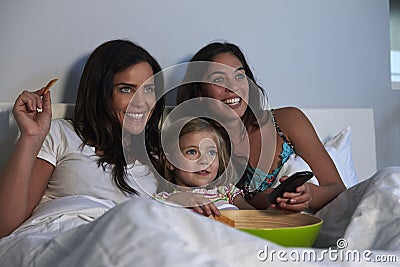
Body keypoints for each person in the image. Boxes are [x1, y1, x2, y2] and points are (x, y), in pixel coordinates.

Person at [0, 39, 166, 238]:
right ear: (101, 93)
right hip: (62, 240)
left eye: (148, 89)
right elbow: (5, 227)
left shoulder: (157, 158)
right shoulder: (60, 134)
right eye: (126, 89)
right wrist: (30, 136)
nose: (141, 102)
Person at [176, 41, 346, 211]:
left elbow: (337, 189)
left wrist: (309, 195)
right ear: (199, 93)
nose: (233, 87)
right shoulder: (198, 145)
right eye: (219, 79)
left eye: (239, 76)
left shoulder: (288, 120)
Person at [153, 117, 254, 216]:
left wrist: (269, 211)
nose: (204, 161)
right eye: (192, 152)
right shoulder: (164, 199)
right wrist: (175, 200)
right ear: (170, 162)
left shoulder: (227, 192)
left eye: (211, 152)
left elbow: (253, 217)